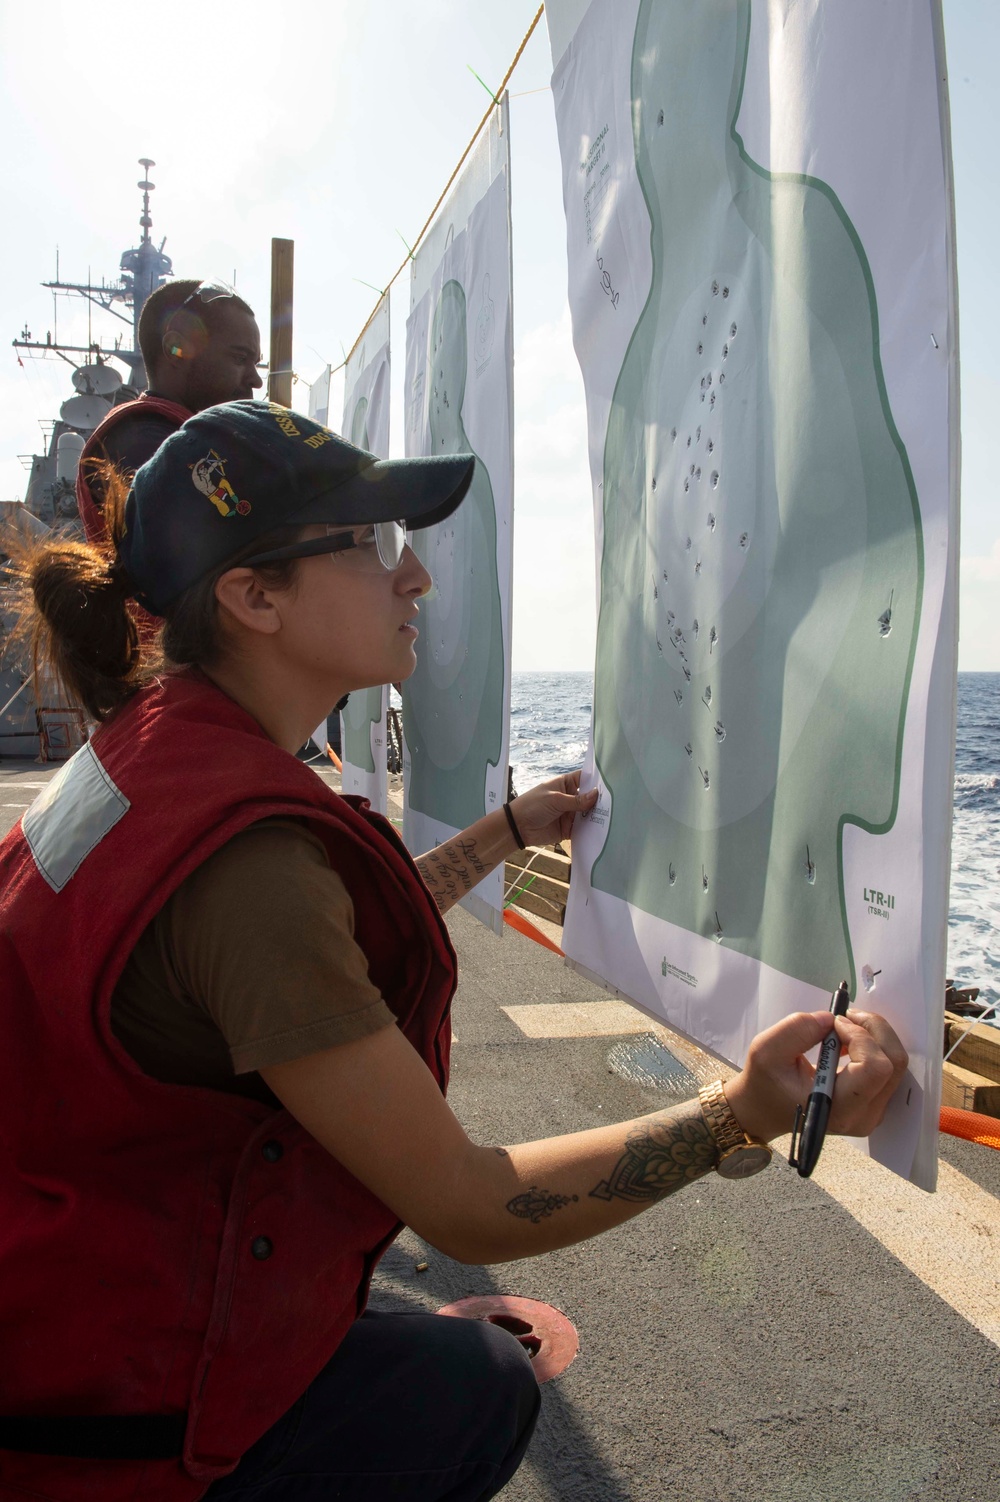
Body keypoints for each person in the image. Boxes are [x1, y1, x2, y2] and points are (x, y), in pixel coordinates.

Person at [0, 400, 908, 1502]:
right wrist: (742, 1111)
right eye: (369, 544)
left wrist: (506, 831)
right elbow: (470, 1205)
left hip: (63, 1310)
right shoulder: (248, 865)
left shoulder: (151, 751)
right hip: (102, 1430)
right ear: (254, 596)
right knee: (475, 1381)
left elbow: (304, 955)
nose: (413, 578)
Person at [76, 278, 263, 543]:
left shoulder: (186, 438)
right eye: (240, 358)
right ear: (177, 352)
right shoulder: (141, 441)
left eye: (256, 364)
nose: (257, 380)